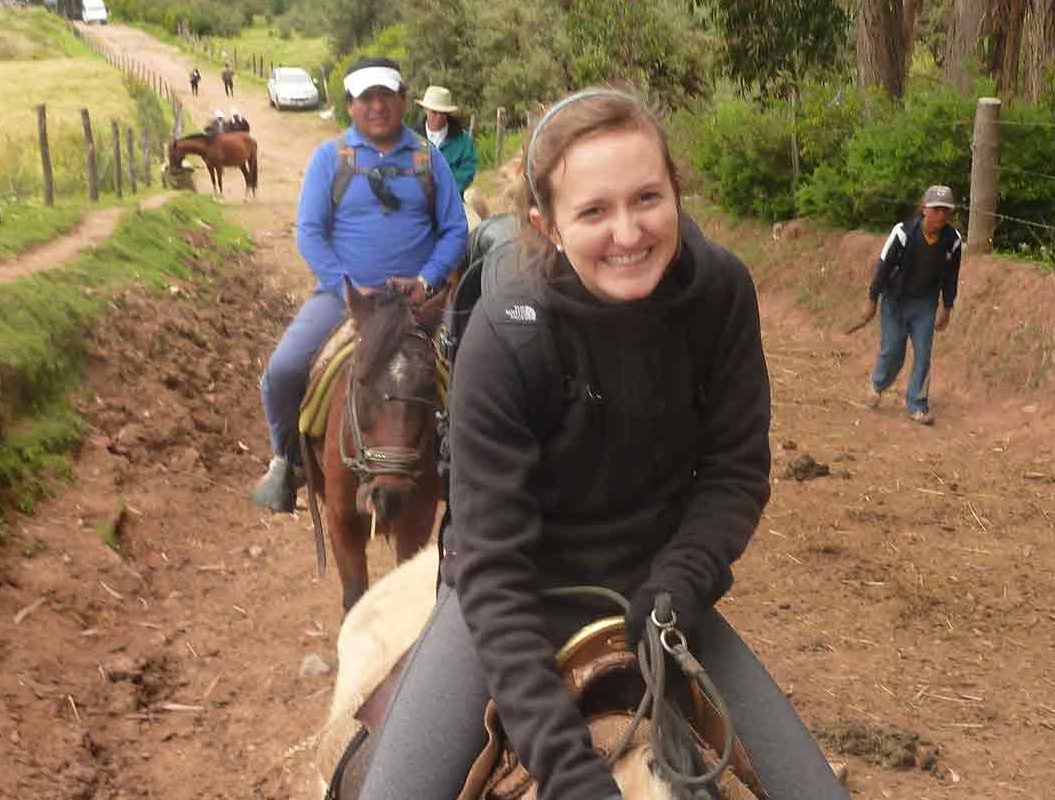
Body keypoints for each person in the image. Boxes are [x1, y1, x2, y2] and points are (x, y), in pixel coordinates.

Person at [353, 88, 848, 800]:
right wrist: (574, 774)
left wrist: (681, 580)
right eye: (593, 211)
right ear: (545, 225)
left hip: (661, 596)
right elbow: (493, 570)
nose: (628, 232)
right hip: (513, 594)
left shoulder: (721, 295)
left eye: (647, 198)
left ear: (675, 191)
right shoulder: (507, 335)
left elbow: (735, 472)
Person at [250, 56, 469, 512]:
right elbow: (309, 231)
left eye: (386, 96)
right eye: (366, 98)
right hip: (345, 299)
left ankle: (466, 469)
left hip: (416, 305)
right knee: (283, 372)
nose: (377, 106)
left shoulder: (428, 161)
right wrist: (345, 285)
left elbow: (454, 229)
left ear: (403, 100)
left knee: (471, 379)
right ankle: (285, 461)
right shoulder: (329, 159)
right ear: (350, 106)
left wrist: (427, 280)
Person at [852, 185, 964, 426]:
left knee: (923, 354)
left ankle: (917, 404)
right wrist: (872, 300)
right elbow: (883, 267)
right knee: (893, 351)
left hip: (925, 303)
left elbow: (951, 275)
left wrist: (947, 306)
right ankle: (877, 384)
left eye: (946, 210)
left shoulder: (952, 241)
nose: (941, 215)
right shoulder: (903, 233)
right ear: (924, 209)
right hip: (896, 300)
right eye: (936, 209)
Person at [416, 86, 478, 193]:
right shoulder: (410, 139)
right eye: (434, 112)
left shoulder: (464, 141)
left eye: (443, 113)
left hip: (453, 199)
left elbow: (468, 170)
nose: (439, 117)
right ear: (425, 110)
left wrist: (444, 190)